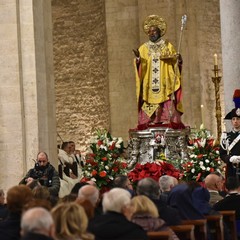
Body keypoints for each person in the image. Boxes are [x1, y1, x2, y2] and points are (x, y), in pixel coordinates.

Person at [133, 15, 183, 127]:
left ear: (159, 32)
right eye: (149, 32)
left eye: (154, 31)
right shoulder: (143, 48)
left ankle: (166, 118)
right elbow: (140, 66)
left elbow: (175, 61)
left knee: (166, 102)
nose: (151, 33)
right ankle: (151, 119)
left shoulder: (167, 46)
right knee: (148, 103)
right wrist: (138, 59)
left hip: (164, 83)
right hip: (149, 84)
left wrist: (178, 59)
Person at [220, 89, 240, 179]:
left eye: (238, 119)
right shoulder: (226, 136)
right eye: (233, 119)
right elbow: (222, 153)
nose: (235, 121)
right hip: (231, 169)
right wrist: (229, 159)